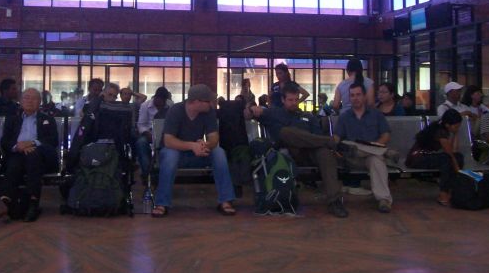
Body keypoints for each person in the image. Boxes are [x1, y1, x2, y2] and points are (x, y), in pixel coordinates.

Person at [247, 82, 350, 218]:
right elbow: (247, 115)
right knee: (286, 132)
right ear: (283, 100)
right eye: (290, 100)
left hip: (310, 152)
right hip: (287, 153)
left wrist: (314, 141)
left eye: (296, 99)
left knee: (325, 153)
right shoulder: (273, 113)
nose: (294, 103)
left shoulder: (308, 116)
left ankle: (334, 201)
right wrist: (252, 108)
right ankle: (331, 141)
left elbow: (317, 137)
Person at [151, 84, 236, 217]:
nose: (211, 104)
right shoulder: (176, 110)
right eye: (208, 101)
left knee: (219, 152)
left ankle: (226, 200)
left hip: (198, 153)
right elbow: (168, 141)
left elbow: (214, 138)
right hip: (175, 152)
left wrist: (205, 145)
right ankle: (161, 203)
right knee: (171, 155)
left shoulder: (208, 112)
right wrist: (192, 146)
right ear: (196, 102)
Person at [0, 88, 59, 222]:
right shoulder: (12, 119)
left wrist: (32, 143)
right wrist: (17, 146)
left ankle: (20, 201)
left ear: (39, 102)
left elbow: (53, 141)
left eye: (34, 98)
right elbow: (5, 142)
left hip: (41, 156)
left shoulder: (47, 119)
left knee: (33, 155)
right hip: (18, 153)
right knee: (15, 162)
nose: (30, 101)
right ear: (21, 101)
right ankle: (14, 201)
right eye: (27, 98)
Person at [333, 83, 393, 213]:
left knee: (376, 160)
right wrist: (333, 144)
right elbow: (337, 137)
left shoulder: (376, 115)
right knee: (350, 146)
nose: (355, 98)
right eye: (352, 95)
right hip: (351, 158)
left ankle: (383, 200)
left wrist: (375, 146)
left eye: (358, 95)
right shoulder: (345, 117)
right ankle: (385, 152)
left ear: (364, 96)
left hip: (369, 157)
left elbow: (386, 135)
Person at [406, 109, 464, 206]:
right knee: (447, 159)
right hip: (417, 158)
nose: (457, 128)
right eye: (456, 126)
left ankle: (452, 189)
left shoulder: (443, 128)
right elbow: (450, 154)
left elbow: (454, 151)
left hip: (428, 156)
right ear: (447, 125)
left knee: (459, 157)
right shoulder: (439, 132)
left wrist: (456, 133)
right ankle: (443, 192)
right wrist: (457, 168)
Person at [136, 87, 172, 183]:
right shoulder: (145, 105)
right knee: (141, 143)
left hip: (165, 135)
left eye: (162, 100)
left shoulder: (170, 106)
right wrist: (148, 134)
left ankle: (163, 173)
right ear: (155, 97)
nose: (160, 102)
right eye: (158, 99)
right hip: (148, 134)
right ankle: (147, 173)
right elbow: (141, 125)